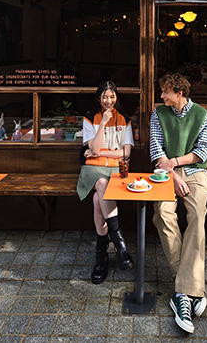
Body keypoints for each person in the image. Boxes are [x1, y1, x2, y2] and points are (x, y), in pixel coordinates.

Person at [150, 72, 207, 334]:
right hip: (165, 174)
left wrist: (176, 163)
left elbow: (203, 151)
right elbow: (156, 151)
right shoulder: (158, 114)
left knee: (197, 215)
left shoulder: (202, 115)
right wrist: (173, 175)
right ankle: (191, 287)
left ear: (179, 92)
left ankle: (183, 293)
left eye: (165, 91)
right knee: (162, 213)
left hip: (196, 172)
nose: (161, 96)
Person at [77, 80, 134, 284]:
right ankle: (120, 246)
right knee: (101, 184)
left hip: (115, 169)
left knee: (97, 201)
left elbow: (126, 152)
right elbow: (92, 149)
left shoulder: (124, 119)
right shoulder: (90, 118)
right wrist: (101, 124)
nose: (108, 100)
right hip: (92, 170)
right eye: (104, 96)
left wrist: (100, 152)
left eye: (111, 96)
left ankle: (102, 255)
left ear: (116, 97)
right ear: (98, 98)